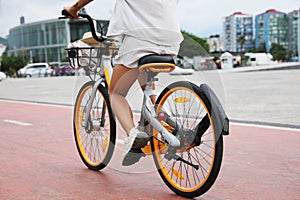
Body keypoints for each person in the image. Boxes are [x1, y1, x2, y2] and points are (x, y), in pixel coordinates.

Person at [64, 0, 183, 166]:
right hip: (171, 40)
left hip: (140, 39)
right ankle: (166, 120)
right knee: (144, 79)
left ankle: (134, 135)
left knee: (115, 93)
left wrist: (74, 8)